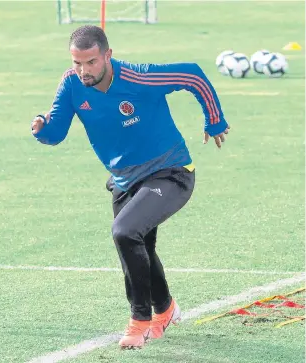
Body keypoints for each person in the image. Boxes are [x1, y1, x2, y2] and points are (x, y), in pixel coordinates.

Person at [31, 25, 230, 349]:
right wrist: (41, 128)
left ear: (108, 55)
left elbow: (192, 76)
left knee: (124, 231)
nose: (84, 71)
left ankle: (140, 320)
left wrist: (214, 119)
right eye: (77, 63)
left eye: (91, 62)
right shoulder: (71, 84)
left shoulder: (139, 77)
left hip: (171, 172)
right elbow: (56, 132)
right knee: (138, 247)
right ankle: (165, 308)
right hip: (124, 181)